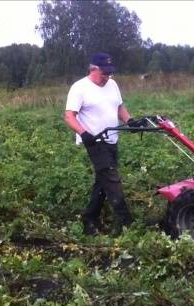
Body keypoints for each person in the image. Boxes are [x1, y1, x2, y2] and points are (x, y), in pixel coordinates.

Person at [64, 52, 134, 235]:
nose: (107, 77)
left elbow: (119, 107)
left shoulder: (112, 84)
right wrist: (83, 133)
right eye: (104, 73)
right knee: (112, 181)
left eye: (110, 73)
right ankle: (128, 225)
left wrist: (130, 121)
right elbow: (69, 116)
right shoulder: (79, 88)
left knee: (103, 182)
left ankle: (89, 219)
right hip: (95, 142)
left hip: (112, 139)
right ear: (93, 69)